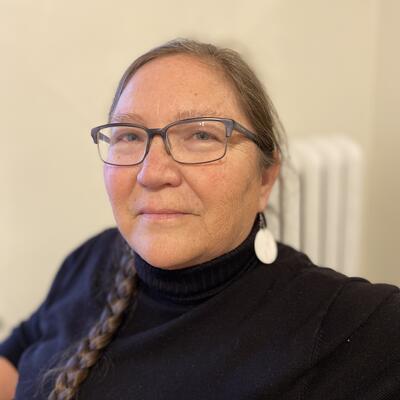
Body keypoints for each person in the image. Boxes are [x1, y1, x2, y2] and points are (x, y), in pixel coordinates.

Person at [1, 38, 399, 400]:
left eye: (202, 135)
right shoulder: (92, 260)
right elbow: (15, 366)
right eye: (129, 135)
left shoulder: (342, 324)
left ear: (265, 177)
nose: (152, 172)